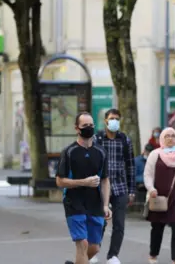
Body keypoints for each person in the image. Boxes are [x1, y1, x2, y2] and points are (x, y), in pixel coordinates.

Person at [56, 112, 111, 264]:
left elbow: (105, 180)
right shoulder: (69, 152)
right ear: (77, 128)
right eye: (85, 126)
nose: (89, 128)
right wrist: (83, 182)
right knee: (83, 244)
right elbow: (60, 181)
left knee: (94, 247)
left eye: (91, 125)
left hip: (95, 204)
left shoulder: (101, 152)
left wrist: (106, 205)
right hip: (74, 202)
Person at [143, 127, 175, 264]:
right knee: (157, 228)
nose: (170, 138)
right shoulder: (155, 154)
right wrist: (151, 188)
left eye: (173, 135)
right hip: (158, 197)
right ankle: (153, 255)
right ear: (162, 138)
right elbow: (148, 175)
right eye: (167, 136)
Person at [94, 108, 135, 264]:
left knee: (119, 223)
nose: (114, 121)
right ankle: (94, 251)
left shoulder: (125, 140)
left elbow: (130, 166)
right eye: (112, 118)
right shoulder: (97, 139)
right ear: (105, 121)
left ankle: (113, 255)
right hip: (101, 187)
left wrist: (131, 190)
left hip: (120, 187)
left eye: (117, 118)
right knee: (100, 222)